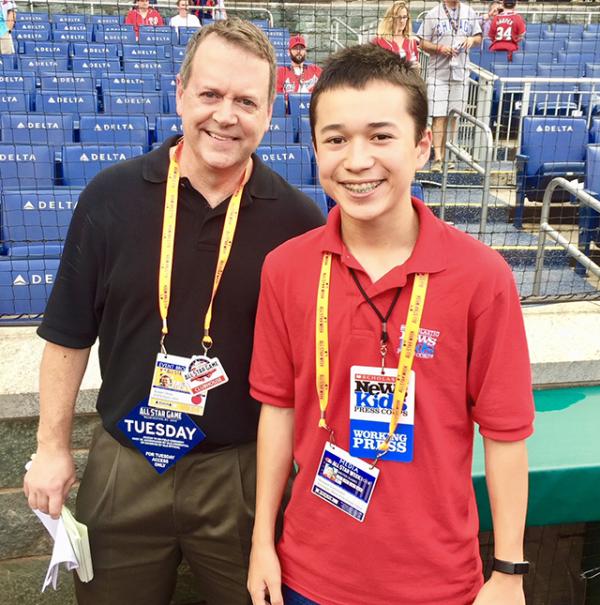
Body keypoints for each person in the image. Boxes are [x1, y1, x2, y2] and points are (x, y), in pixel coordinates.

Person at [23, 18, 324, 605]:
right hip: (124, 465)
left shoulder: (296, 223)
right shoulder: (109, 198)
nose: (225, 115)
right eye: (210, 94)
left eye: (246, 101)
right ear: (181, 92)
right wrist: (52, 448)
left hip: (240, 474)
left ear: (269, 112)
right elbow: (67, 337)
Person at [248, 44, 533, 605]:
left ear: (423, 145)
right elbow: (278, 411)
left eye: (381, 136)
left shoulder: (483, 277)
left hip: (438, 583)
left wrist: (508, 572)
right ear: (315, 148)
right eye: (336, 139)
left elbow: (505, 435)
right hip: (308, 576)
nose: (357, 160)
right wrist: (262, 541)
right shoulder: (285, 270)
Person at [417, 0, 482, 173]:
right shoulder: (433, 14)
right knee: (438, 116)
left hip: (460, 72)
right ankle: (438, 157)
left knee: (454, 116)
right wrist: (439, 48)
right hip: (439, 72)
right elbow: (422, 42)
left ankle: (450, 156)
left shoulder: (469, 12)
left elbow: (478, 37)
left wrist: (470, 40)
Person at [371, 1, 420, 71]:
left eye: (404, 17)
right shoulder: (378, 41)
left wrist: (417, 68)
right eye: (399, 17)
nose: (402, 21)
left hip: (408, 80)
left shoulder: (411, 41)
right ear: (391, 19)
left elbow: (417, 66)